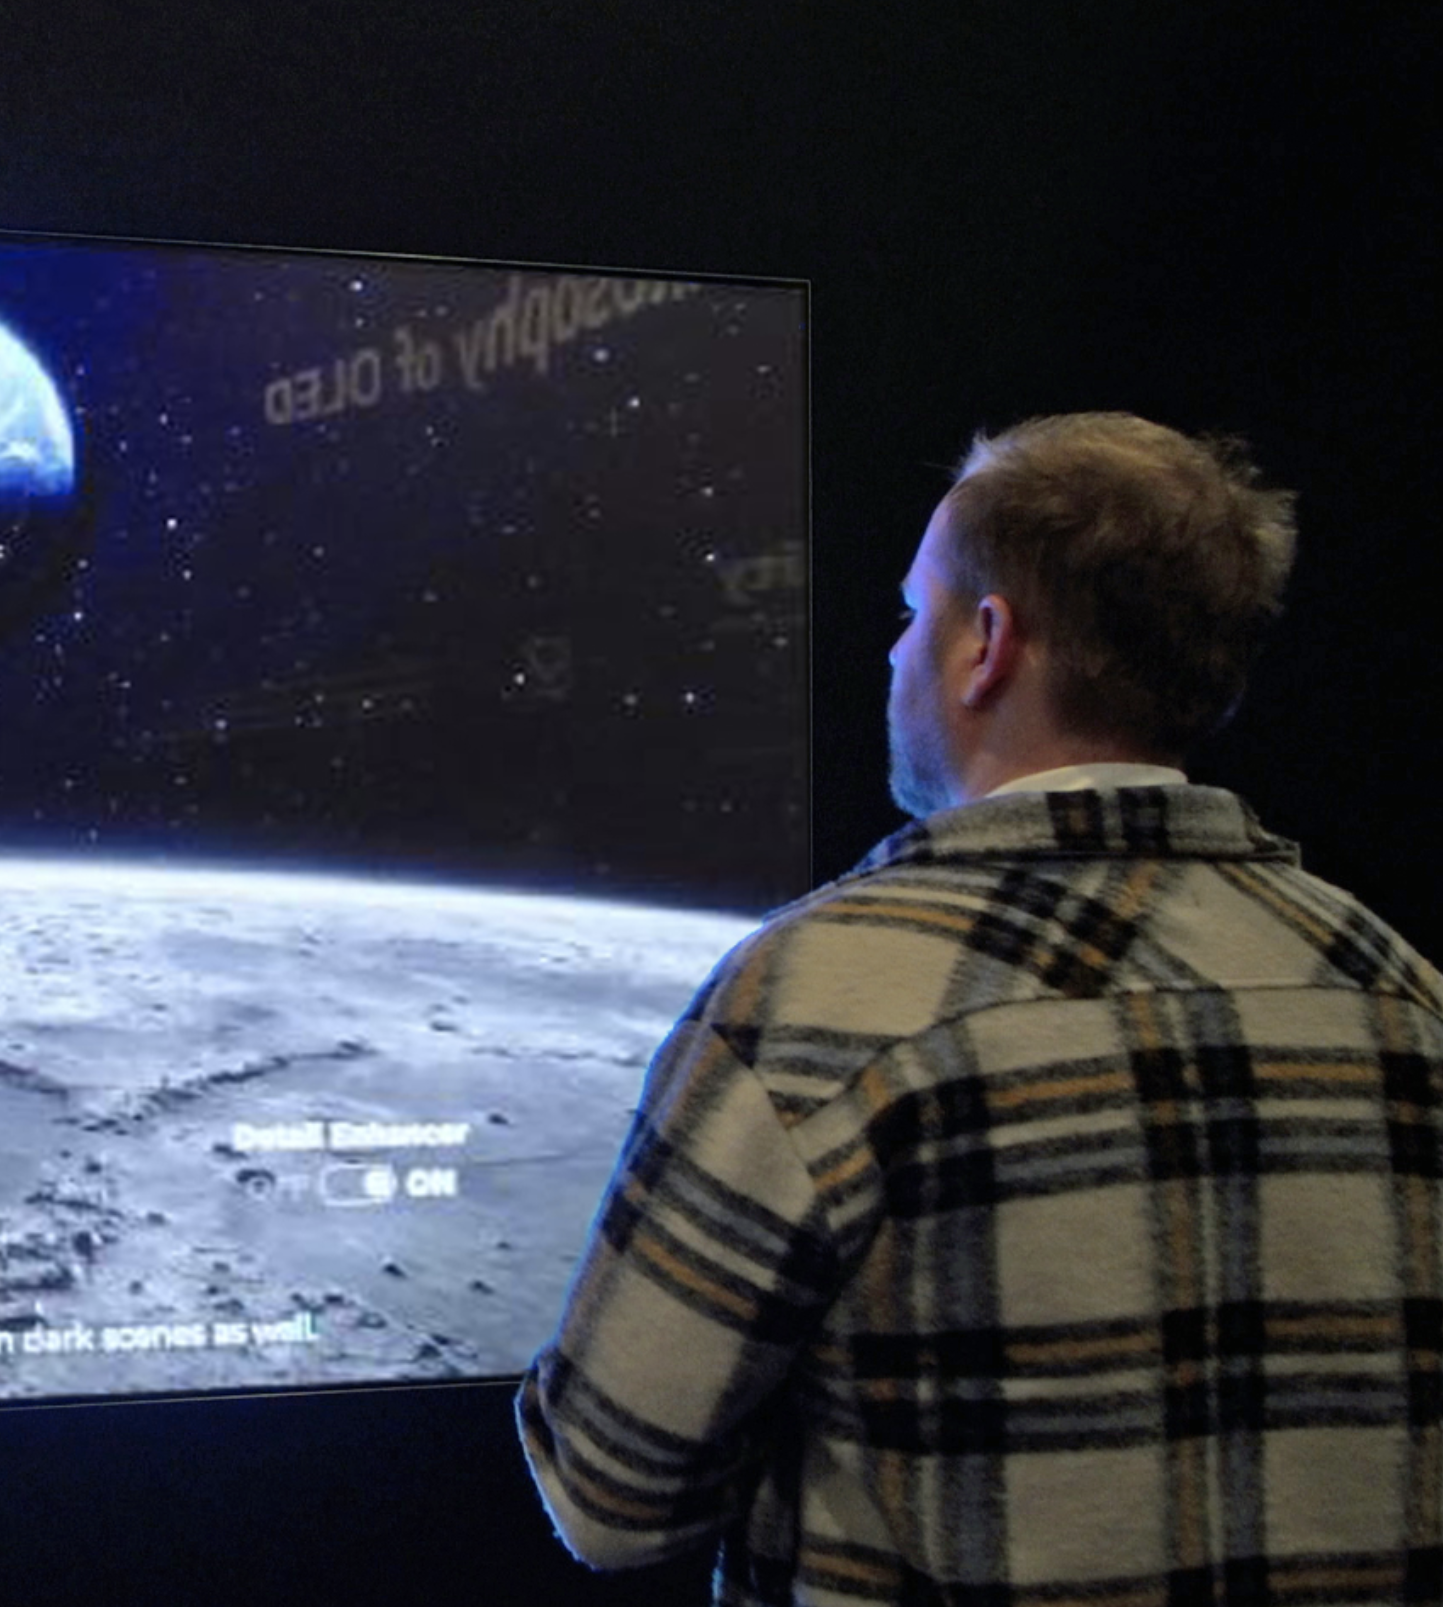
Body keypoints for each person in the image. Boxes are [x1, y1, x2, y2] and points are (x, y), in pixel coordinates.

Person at [517, 413, 1443, 1602]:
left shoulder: (815, 1003)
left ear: (987, 644)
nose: (894, 651)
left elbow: (606, 1492)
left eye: (913, 612)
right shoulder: (1399, 991)